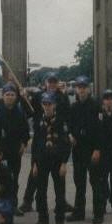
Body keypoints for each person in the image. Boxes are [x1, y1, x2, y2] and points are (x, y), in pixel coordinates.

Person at [19, 72, 72, 214]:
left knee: (59, 175)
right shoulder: (38, 96)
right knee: (35, 170)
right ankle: (27, 201)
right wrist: (23, 98)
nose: (52, 84)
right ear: (45, 83)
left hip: (57, 136)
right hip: (41, 135)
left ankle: (61, 202)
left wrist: (68, 132)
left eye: (55, 82)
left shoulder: (62, 97)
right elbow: (29, 112)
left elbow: (68, 114)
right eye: (50, 82)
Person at [67, 75, 105, 224]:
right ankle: (79, 212)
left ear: (89, 89)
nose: (81, 90)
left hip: (92, 149)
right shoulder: (73, 107)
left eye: (84, 87)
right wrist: (70, 135)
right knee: (79, 182)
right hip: (78, 149)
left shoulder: (96, 106)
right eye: (79, 87)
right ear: (76, 89)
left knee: (95, 182)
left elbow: (101, 130)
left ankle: (98, 213)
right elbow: (69, 126)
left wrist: (98, 149)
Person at [30, 91, 71, 224]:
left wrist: (64, 163)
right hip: (42, 161)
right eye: (45, 104)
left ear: (54, 105)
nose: (47, 106)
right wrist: (34, 163)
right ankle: (43, 219)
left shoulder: (60, 121)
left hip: (57, 161)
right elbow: (35, 144)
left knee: (60, 192)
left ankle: (60, 220)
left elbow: (66, 144)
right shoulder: (38, 122)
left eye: (50, 104)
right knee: (40, 192)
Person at [0, 83, 30, 215]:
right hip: (1, 152)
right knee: (1, 180)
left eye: (12, 95)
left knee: (14, 179)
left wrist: (24, 143)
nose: (9, 97)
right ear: (3, 96)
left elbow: (25, 130)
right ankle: (2, 207)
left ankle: (13, 206)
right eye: (7, 94)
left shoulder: (20, 112)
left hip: (15, 151)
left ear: (16, 97)